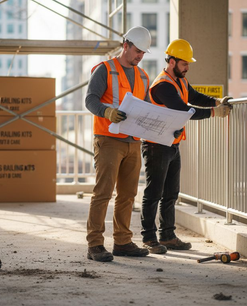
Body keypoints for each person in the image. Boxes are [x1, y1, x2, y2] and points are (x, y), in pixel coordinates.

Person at [141, 39, 232, 254]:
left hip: (171, 143)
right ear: (172, 62)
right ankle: (149, 238)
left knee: (171, 193)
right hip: (156, 145)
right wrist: (213, 113)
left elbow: (194, 96)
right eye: (184, 64)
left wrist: (216, 101)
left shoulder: (180, 81)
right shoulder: (163, 85)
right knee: (154, 192)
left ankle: (168, 235)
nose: (187, 67)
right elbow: (184, 110)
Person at [84, 26, 153, 262]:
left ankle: (122, 242)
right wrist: (107, 112)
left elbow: (146, 107)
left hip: (133, 142)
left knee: (127, 194)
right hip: (108, 140)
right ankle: (95, 244)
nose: (140, 56)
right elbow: (90, 100)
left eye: (144, 53)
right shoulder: (105, 70)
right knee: (103, 193)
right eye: (137, 51)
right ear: (126, 45)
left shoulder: (143, 76)